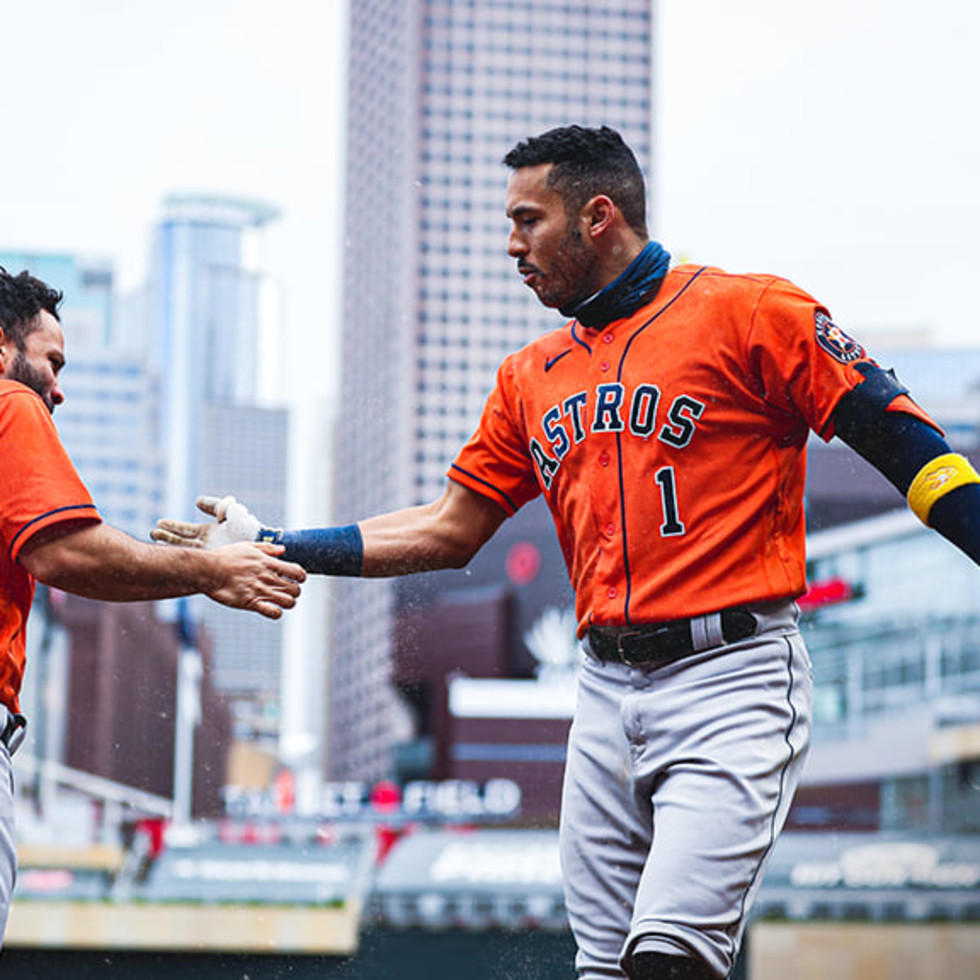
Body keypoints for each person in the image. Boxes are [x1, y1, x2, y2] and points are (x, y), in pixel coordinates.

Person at [154, 126, 980, 980]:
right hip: (604, 690)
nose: (512, 245)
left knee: (668, 958)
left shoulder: (751, 312)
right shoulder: (530, 375)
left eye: (527, 220)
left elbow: (909, 446)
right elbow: (448, 528)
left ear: (598, 216)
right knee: (605, 970)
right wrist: (275, 543)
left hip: (732, 676)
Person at [0, 266, 306, 944]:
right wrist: (210, 571)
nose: (58, 388)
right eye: (51, 362)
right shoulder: (9, 404)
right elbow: (64, 552)